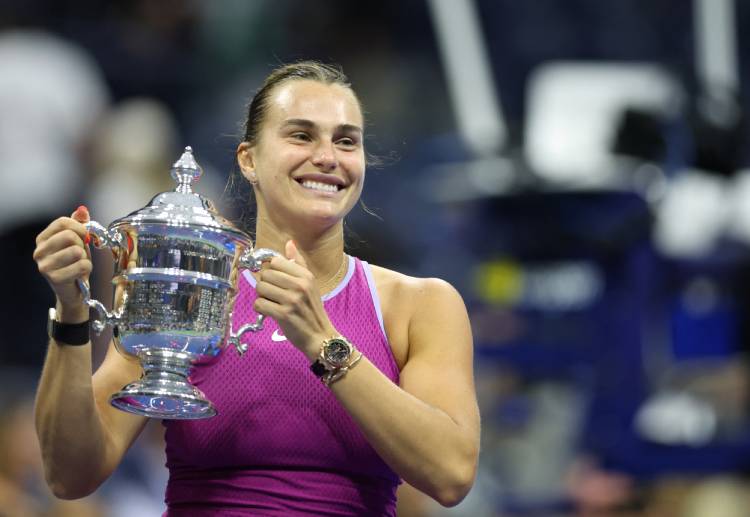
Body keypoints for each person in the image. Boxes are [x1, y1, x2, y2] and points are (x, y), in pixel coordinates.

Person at [32, 60, 480, 515]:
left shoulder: (421, 304)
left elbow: (450, 475)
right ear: (249, 159)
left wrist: (323, 342)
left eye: (346, 140)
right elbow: (70, 474)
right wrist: (72, 313)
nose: (327, 156)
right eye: (301, 135)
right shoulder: (191, 288)